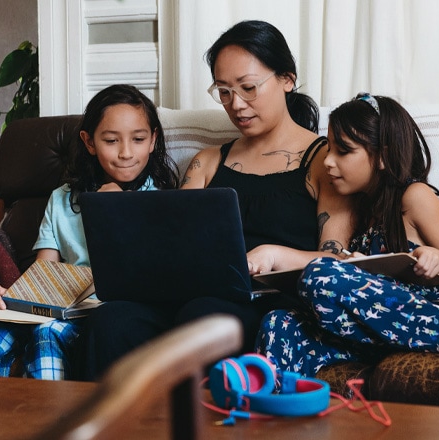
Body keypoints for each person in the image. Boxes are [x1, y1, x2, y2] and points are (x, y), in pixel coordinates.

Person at [81, 20, 352, 380]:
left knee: (204, 316)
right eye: (224, 92)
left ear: (287, 79)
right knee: (111, 320)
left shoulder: (325, 161)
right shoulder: (208, 162)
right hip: (191, 299)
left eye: (249, 88)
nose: (236, 105)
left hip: (268, 307)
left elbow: (334, 260)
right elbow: (168, 246)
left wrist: (273, 254)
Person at [255, 93, 439, 378]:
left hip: (423, 317)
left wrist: (437, 258)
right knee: (279, 322)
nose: (328, 161)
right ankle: (271, 409)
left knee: (319, 277)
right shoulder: (360, 208)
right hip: (371, 336)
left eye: (343, 151)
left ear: (383, 156)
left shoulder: (415, 198)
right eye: (329, 149)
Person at [0, 84, 179, 379]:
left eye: (139, 139)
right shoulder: (62, 199)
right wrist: (2, 295)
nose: (126, 153)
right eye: (110, 140)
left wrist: (118, 210)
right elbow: (44, 274)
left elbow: (154, 276)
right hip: (63, 307)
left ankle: (52, 421)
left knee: (48, 332)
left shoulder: (166, 200)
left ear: (153, 139)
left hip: (108, 317)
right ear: (89, 142)